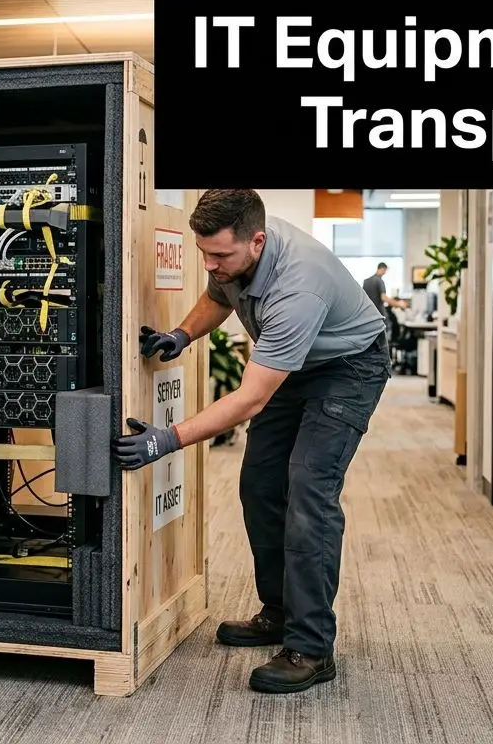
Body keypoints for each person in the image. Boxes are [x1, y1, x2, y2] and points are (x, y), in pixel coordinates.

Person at [112, 189, 389, 695]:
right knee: (259, 482)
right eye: (204, 253)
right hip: (294, 363)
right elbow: (220, 297)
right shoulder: (235, 257)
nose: (210, 265)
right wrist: (183, 334)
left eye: (220, 256)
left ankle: (311, 647)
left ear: (257, 242)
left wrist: (166, 440)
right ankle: (280, 612)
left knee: (308, 489)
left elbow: (249, 401)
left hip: (347, 369)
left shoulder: (296, 287)